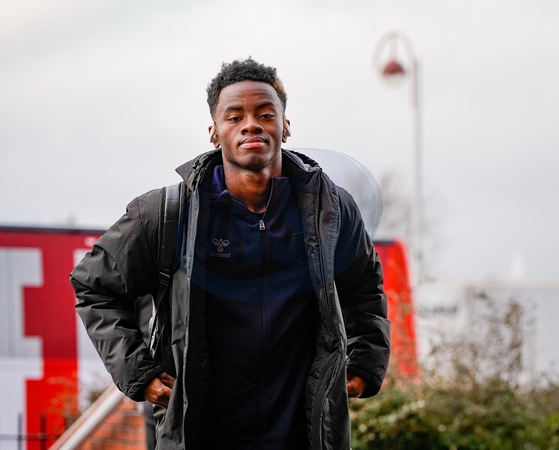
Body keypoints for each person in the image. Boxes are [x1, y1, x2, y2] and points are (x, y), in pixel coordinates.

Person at [71, 57, 390, 450]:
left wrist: (364, 363)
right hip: (203, 433)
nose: (251, 125)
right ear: (214, 131)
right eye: (234, 116)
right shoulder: (165, 213)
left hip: (302, 434)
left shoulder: (331, 210)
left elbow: (364, 289)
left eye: (265, 114)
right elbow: (94, 286)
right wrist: (140, 373)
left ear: (285, 127)